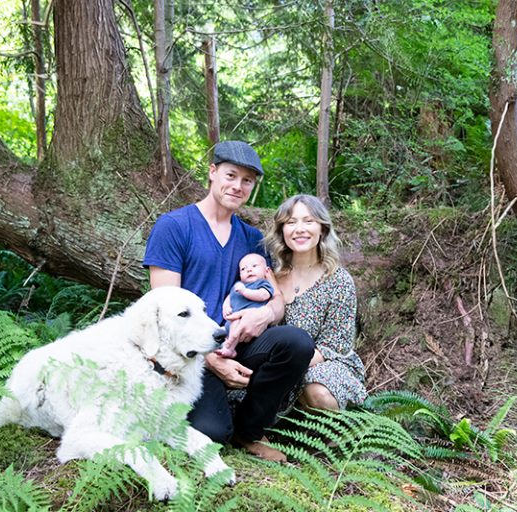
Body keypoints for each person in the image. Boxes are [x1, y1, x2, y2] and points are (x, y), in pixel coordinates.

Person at [143, 141, 314, 462]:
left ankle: (250, 430)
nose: (238, 186)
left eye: (247, 180)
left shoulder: (251, 239)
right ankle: (219, 423)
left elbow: (276, 300)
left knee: (296, 342)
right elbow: (162, 313)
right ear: (212, 172)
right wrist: (212, 361)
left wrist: (264, 314)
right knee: (212, 433)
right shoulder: (174, 227)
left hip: (233, 342)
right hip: (187, 356)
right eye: (231, 175)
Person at [265, 194, 368, 411]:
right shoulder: (269, 275)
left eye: (308, 221)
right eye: (291, 222)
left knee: (317, 389)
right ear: (282, 231)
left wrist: (281, 371)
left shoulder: (338, 281)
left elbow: (333, 346)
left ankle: (327, 437)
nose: (299, 229)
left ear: (322, 229)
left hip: (324, 363)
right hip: (272, 365)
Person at [217, 253, 274, 358]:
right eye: (243, 269)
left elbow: (263, 295)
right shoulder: (238, 285)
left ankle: (230, 348)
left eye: (254, 266)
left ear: (266, 270)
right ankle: (223, 344)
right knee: (219, 331)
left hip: (247, 321)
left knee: (235, 326)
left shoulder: (263, 284)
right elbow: (230, 297)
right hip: (231, 320)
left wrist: (245, 291)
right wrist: (226, 307)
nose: (249, 270)